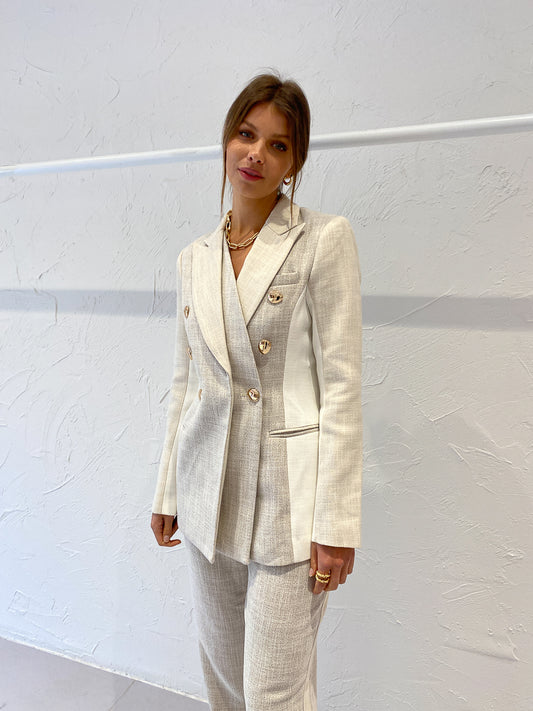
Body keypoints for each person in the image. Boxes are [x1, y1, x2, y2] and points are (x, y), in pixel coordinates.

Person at [151, 72, 362, 711]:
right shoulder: (194, 258)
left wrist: (337, 522)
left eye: (278, 144)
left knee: (274, 691)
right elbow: (185, 382)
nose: (256, 154)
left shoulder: (322, 238)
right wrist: (167, 490)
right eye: (246, 134)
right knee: (224, 677)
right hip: (207, 488)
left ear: (295, 162)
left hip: (289, 501)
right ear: (226, 139)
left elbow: (342, 387)